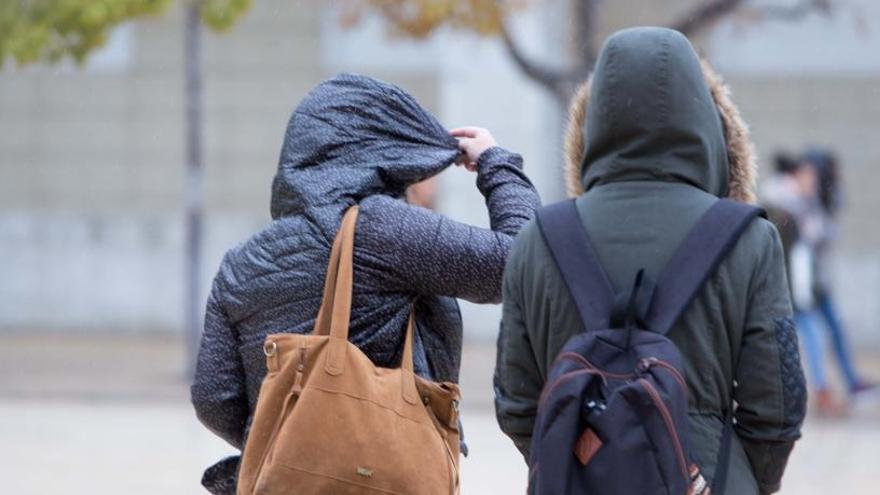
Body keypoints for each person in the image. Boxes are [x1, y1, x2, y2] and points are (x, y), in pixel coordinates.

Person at [191, 73, 541, 494]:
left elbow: (213, 399)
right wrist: (496, 164)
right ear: (381, 150)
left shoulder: (241, 262)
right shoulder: (382, 228)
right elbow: (521, 262)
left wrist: (295, 442)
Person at [494, 28, 806, 494]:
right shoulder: (750, 239)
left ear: (592, 116)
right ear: (706, 116)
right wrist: (731, 478)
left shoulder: (539, 238)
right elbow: (778, 409)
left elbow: (517, 403)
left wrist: (586, 461)